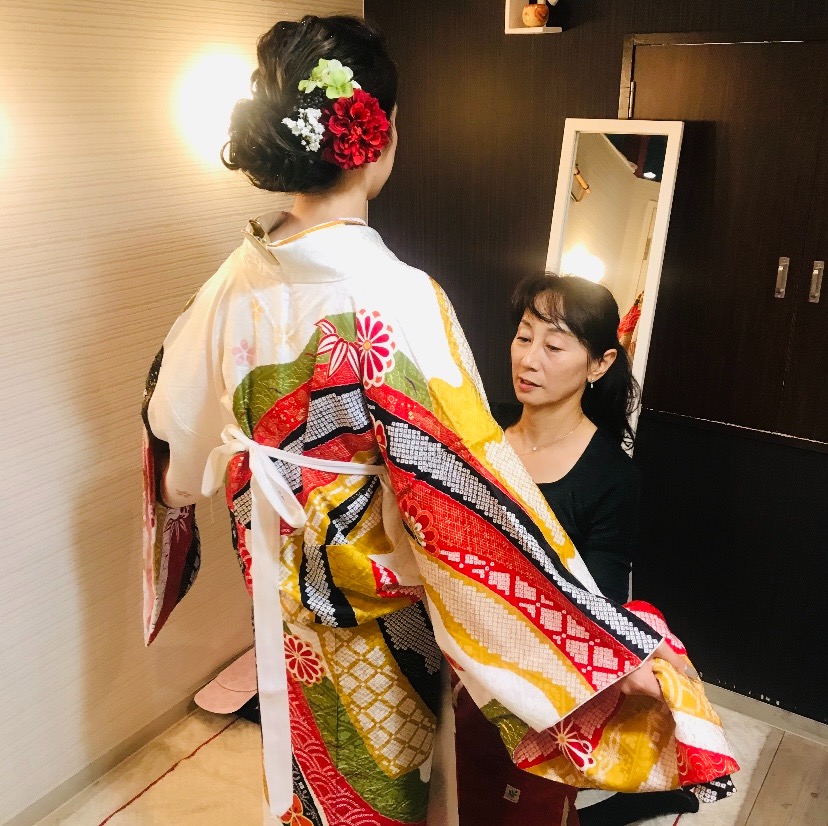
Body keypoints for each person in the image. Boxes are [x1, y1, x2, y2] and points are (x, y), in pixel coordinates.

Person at [140, 15, 737, 826]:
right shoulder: (399, 301)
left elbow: (175, 455)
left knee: (307, 773)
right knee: (387, 793)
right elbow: (475, 502)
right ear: (382, 136)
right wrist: (602, 648)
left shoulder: (232, 281)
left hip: (280, 594)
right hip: (379, 620)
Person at [455, 273, 703, 824]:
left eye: (554, 345)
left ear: (599, 363)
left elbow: (598, 598)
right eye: (524, 336)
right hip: (457, 652)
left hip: (540, 675)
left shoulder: (611, 476)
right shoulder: (481, 429)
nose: (529, 359)